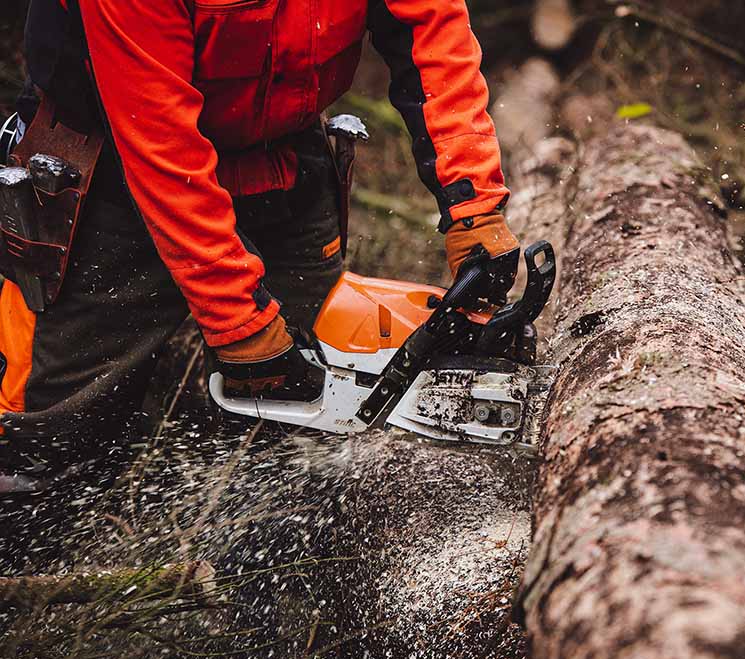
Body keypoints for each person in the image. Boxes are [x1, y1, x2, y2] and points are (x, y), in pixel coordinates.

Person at [0, 0, 520, 480]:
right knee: (52, 435)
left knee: (318, 407)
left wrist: (473, 205)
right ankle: (47, 567)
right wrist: (237, 320)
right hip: (112, 168)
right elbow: (161, 144)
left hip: (282, 154)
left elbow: (431, 30)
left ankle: (271, 557)